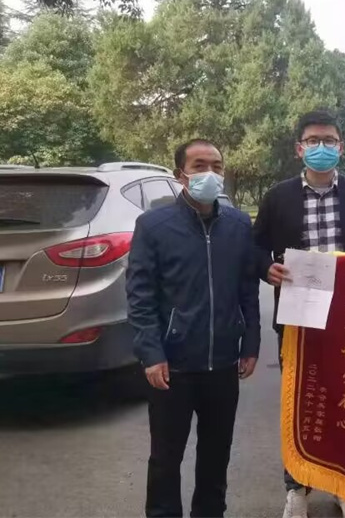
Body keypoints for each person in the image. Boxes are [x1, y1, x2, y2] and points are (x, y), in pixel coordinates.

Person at [253, 109, 345, 518]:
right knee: (301, 403)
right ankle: (297, 487)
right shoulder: (278, 197)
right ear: (300, 149)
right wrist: (266, 267)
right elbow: (255, 247)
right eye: (313, 141)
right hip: (297, 317)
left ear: (341, 147)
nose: (321, 147)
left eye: (329, 140)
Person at [127, 139, 260, 518]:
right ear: (180, 175)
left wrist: (250, 342)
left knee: (216, 455)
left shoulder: (238, 224)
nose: (210, 174)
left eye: (216, 166)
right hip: (173, 366)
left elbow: (247, 287)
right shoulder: (154, 226)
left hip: (223, 364)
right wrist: (151, 354)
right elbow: (140, 295)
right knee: (166, 457)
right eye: (199, 166)